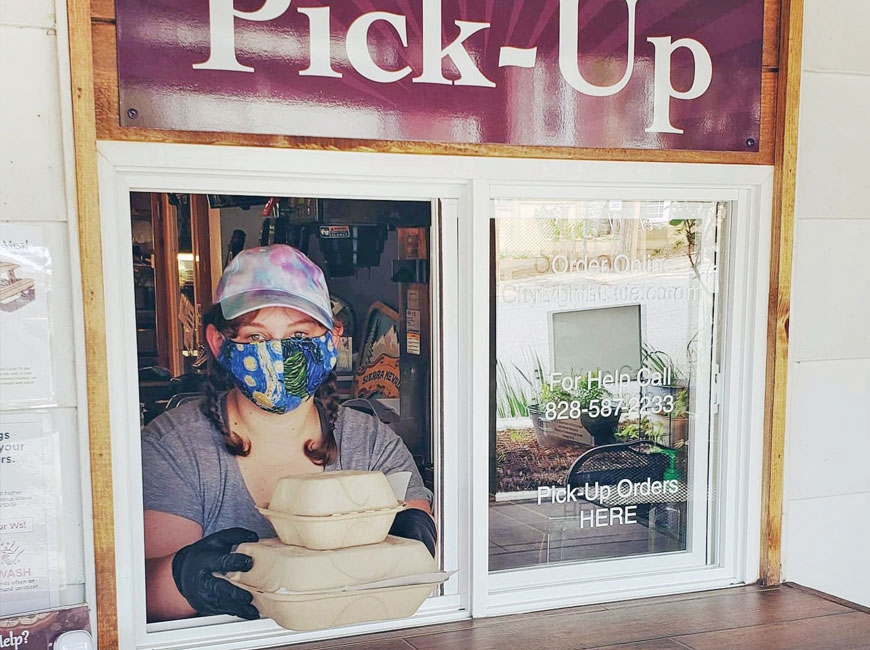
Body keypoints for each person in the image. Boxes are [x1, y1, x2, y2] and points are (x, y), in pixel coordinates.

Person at [141, 244, 436, 622]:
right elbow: (147, 592)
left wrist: (416, 536)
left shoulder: (370, 443)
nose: (279, 355)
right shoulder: (175, 448)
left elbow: (414, 555)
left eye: (299, 335)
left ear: (332, 338)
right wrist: (185, 579)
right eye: (256, 337)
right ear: (219, 343)